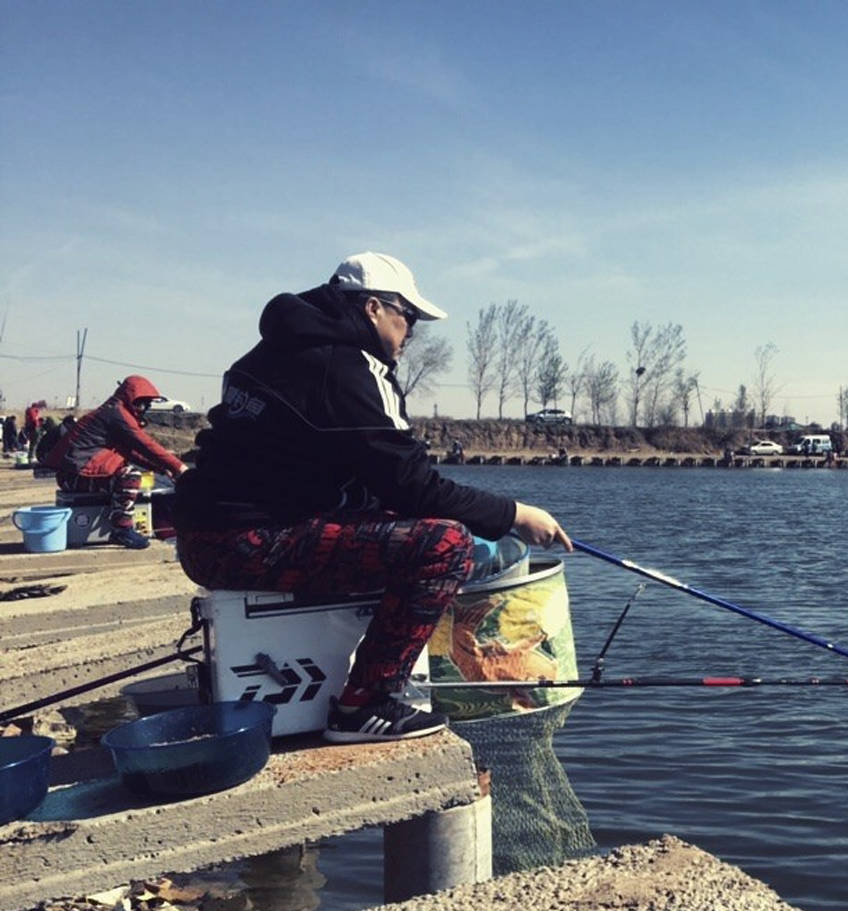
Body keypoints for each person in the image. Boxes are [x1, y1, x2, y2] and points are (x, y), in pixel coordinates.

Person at [173, 251, 571, 744]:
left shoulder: (274, 351)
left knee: (402, 522)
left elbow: (362, 476)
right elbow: (414, 485)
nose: (410, 335)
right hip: (247, 542)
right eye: (409, 319)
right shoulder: (347, 367)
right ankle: (362, 706)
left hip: (205, 537)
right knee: (443, 546)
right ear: (373, 309)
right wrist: (514, 515)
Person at [46, 377, 188, 549]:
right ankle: (122, 528)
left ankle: (120, 522)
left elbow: (133, 452)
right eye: (142, 404)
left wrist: (162, 468)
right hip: (73, 477)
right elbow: (145, 445)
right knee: (130, 476)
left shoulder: (111, 412)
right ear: (131, 399)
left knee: (130, 473)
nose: (144, 409)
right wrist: (179, 467)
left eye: (147, 405)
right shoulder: (116, 415)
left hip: (72, 475)